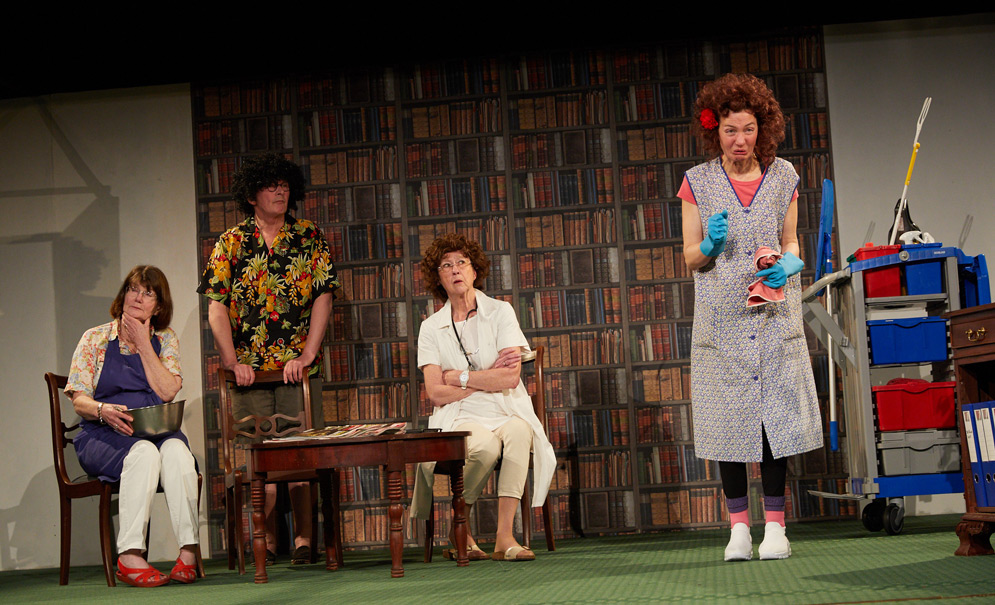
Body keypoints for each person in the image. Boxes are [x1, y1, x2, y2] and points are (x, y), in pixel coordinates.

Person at [679, 73, 823, 561]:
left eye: (747, 129)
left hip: (772, 318)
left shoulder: (784, 177)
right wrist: (710, 244)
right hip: (721, 323)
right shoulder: (697, 182)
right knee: (729, 424)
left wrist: (790, 263)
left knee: (773, 425)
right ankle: (739, 529)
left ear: (762, 128)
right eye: (729, 131)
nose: (739, 140)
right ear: (714, 131)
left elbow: (791, 240)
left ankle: (776, 528)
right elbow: (691, 257)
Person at [198, 153, 339, 565]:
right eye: (271, 186)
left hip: (297, 369)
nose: (280, 192)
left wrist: (308, 353)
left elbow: (323, 295)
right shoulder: (231, 241)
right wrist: (232, 361)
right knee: (257, 453)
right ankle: (268, 541)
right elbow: (216, 305)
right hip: (249, 372)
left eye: (285, 185)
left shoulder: (308, 236)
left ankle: (304, 541)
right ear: (251, 195)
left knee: (301, 453)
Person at [409, 233, 555, 562]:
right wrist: (484, 379)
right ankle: (460, 524)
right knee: (486, 446)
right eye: (446, 265)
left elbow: (510, 377)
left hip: (506, 405)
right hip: (460, 413)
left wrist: (459, 377)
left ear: (475, 271)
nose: (455, 269)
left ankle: (504, 537)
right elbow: (436, 393)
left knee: (520, 431)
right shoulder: (431, 328)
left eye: (461, 262)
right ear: (438, 278)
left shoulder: (501, 312)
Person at [65, 266, 198, 587]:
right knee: (143, 453)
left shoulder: (165, 339)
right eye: (133, 289)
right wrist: (102, 410)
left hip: (156, 429)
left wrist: (143, 343)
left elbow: (167, 391)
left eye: (148, 293)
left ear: (159, 306)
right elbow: (79, 400)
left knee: (178, 452)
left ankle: (189, 551)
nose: (138, 297)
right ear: (124, 294)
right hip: (104, 433)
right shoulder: (95, 338)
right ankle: (129, 555)